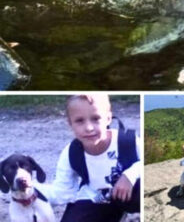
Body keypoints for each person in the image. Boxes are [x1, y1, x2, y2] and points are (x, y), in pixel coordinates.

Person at [36, 94, 140, 222]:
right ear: (70, 123)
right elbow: (62, 192)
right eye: (80, 121)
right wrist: (31, 190)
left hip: (132, 193)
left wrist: (129, 175)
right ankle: (115, 215)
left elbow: (152, 163)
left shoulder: (127, 141)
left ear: (108, 118)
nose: (89, 128)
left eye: (96, 118)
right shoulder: (71, 152)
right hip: (98, 200)